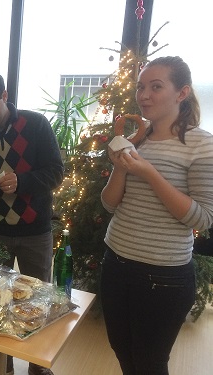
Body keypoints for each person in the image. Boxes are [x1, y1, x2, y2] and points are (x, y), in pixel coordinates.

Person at [100, 56, 213, 375]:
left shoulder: (201, 144)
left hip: (163, 277)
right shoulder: (137, 139)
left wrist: (149, 172)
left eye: (156, 86)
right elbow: (110, 204)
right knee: (122, 349)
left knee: (150, 362)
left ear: (182, 93)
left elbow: (202, 219)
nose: (143, 94)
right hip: (116, 263)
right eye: (140, 87)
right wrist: (121, 164)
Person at [0, 72, 63, 375]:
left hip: (36, 232)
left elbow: (56, 173)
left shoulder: (35, 125)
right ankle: (0, 366)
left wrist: (22, 181)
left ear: (4, 96)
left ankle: (36, 366)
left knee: (37, 300)